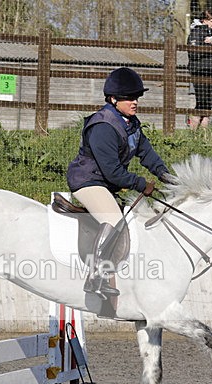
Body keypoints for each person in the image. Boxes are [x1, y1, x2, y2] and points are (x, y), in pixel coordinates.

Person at [66, 67, 170, 299]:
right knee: (113, 219)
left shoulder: (131, 124)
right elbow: (113, 172)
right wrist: (141, 183)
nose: (135, 102)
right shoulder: (103, 126)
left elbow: (147, 153)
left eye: (137, 98)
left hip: (105, 182)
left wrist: (165, 175)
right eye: (129, 98)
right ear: (113, 99)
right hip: (87, 181)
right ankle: (96, 277)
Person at [187, 9, 212, 130]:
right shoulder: (195, 32)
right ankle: (192, 133)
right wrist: (209, 45)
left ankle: (204, 136)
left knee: (208, 105)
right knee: (201, 102)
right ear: (205, 20)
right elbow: (193, 54)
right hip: (200, 71)